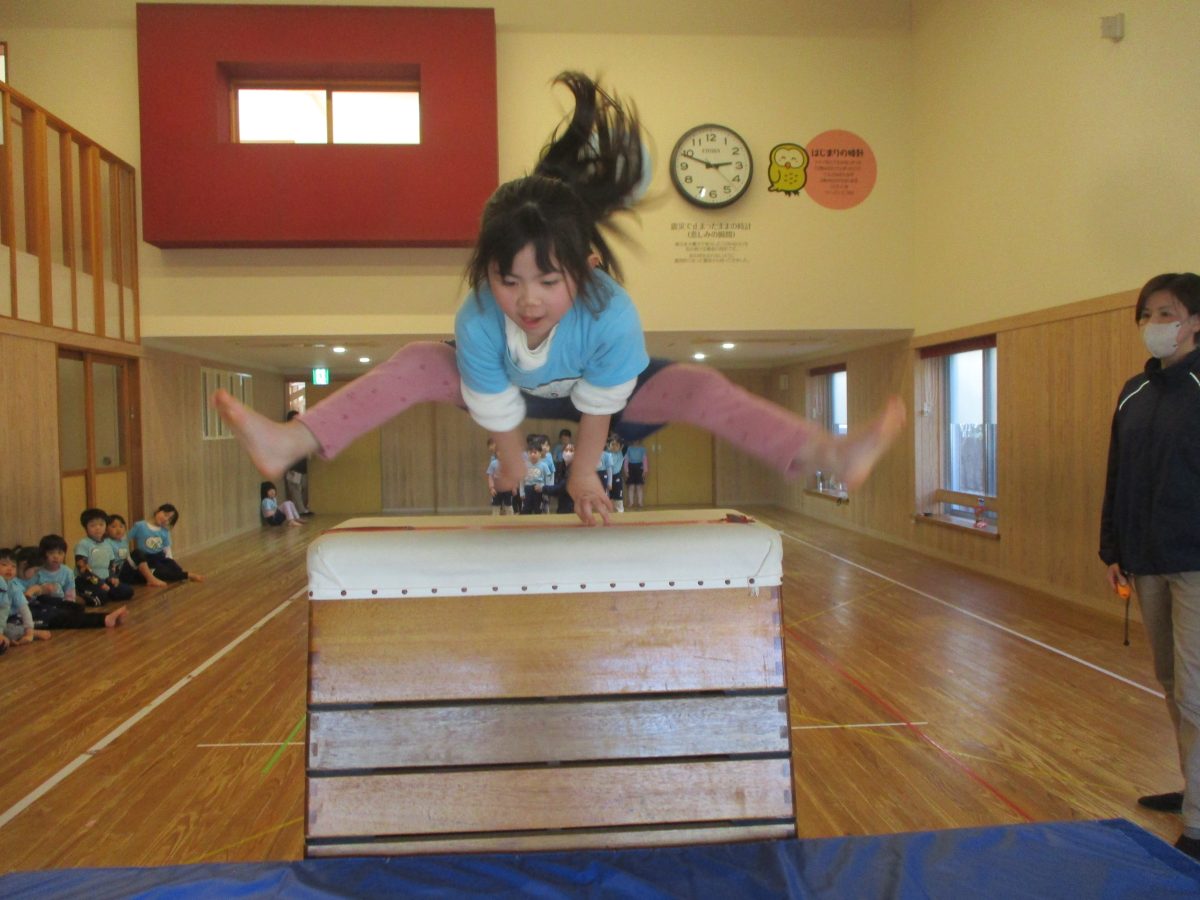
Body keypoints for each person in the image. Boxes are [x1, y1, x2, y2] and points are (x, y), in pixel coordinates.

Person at [212, 71, 904, 527]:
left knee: (698, 385)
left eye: (549, 281)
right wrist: (512, 465)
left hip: (609, 400)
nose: (528, 302)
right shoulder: (479, 318)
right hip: (509, 392)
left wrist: (583, 476)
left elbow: (600, 408)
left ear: (586, 267)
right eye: (508, 280)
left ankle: (829, 452)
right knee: (421, 360)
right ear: (485, 272)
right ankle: (291, 439)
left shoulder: (610, 313)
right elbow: (495, 408)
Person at [1099, 272, 1200, 861]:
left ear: (1195, 321)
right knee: (1171, 682)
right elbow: (1119, 473)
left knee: (1195, 686)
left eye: (1166, 313)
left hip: (1195, 562)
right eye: (1147, 314)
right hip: (1147, 559)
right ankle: (1194, 786)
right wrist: (1113, 547)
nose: (1153, 324)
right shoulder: (1133, 392)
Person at [16, 549, 127, 631]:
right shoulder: (14, 583)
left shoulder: (33, 577)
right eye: (35, 570)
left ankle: (105, 616)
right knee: (58, 617)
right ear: (24, 565)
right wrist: (31, 592)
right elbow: (20, 604)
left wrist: (43, 589)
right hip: (24, 613)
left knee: (75, 607)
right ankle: (105, 619)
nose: (36, 574)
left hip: (38, 604)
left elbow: (52, 592)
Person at [124, 504, 205, 585]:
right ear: (158, 511)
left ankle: (180, 575)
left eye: (169, 520)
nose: (166, 519)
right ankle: (188, 575)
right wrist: (126, 556)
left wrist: (171, 562)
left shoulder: (165, 531)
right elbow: (125, 540)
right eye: (165, 515)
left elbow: (167, 549)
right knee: (161, 572)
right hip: (147, 559)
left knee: (176, 569)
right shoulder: (140, 525)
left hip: (160, 558)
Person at [74, 508, 134, 605]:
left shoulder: (107, 544)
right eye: (93, 525)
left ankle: (104, 594)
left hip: (105, 580)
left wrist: (113, 577)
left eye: (101, 524)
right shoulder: (83, 544)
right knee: (102, 597)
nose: (98, 528)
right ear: (86, 527)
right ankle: (80, 595)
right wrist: (100, 583)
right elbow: (83, 569)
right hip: (87, 581)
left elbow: (111, 565)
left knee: (127, 591)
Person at [0, 547, 49, 645]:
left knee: (11, 630)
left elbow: (24, 609)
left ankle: (31, 632)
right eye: (4, 565)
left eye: (13, 566)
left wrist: (29, 632)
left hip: (9, 619)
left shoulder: (13, 587)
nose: (9, 569)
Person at [283, 410, 313, 516]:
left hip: (303, 467)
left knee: (306, 489)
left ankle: (304, 508)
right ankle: (301, 511)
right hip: (293, 468)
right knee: (295, 490)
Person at [625, 438, 648, 510]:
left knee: (639, 486)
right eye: (634, 439)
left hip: (639, 467)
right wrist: (626, 470)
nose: (635, 441)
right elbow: (626, 459)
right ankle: (631, 502)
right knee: (631, 486)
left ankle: (640, 502)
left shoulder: (642, 449)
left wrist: (645, 470)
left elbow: (645, 460)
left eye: (637, 439)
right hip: (631, 467)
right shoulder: (629, 449)